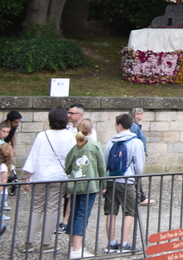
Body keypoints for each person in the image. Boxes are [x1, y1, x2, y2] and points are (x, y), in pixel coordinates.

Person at [22, 107, 77, 252]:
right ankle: (46, 243)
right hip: (59, 177)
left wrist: (27, 176)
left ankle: (28, 242)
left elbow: (33, 156)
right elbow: (72, 158)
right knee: (52, 209)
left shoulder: (42, 135)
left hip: (40, 176)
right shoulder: (70, 136)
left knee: (36, 208)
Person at [64, 119, 105, 259]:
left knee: (75, 213)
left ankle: (74, 247)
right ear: (91, 130)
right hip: (90, 185)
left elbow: (67, 167)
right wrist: (103, 185)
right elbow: (101, 167)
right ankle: (76, 249)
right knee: (82, 215)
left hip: (75, 184)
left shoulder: (75, 148)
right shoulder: (96, 146)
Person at [104, 113, 144, 253]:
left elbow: (105, 162)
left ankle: (111, 243)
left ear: (120, 126)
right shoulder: (136, 142)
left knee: (111, 212)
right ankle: (124, 243)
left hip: (111, 179)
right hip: (127, 180)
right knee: (129, 211)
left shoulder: (111, 142)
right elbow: (139, 166)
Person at [127, 107, 149, 206]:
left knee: (136, 176)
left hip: (139, 153)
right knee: (136, 175)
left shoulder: (136, 126)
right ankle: (141, 197)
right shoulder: (134, 126)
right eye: (141, 113)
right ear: (135, 114)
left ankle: (140, 197)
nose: (142, 114)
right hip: (136, 154)